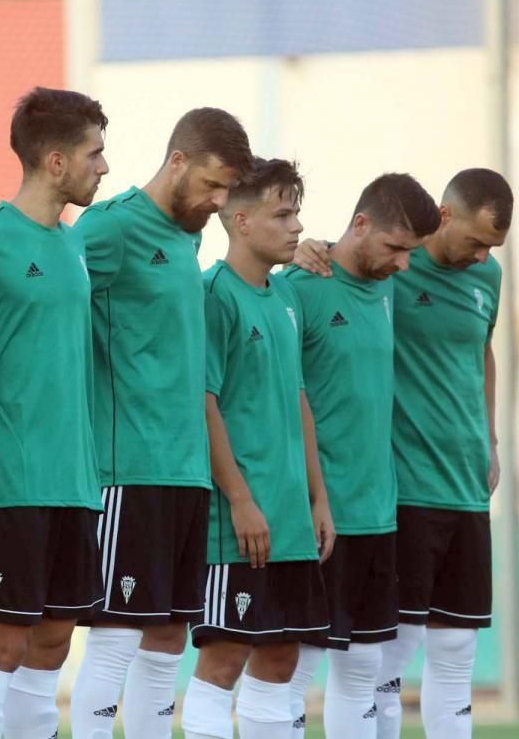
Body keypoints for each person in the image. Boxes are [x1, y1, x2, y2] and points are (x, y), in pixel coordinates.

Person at [293, 168, 513, 739]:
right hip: (403, 488)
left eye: (492, 247)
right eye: (476, 240)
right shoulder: (387, 271)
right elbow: (346, 265)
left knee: (457, 644)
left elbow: (483, 352)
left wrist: (488, 438)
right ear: (445, 216)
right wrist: (304, 249)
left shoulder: (486, 277)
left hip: (465, 484)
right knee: (388, 653)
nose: (482, 254)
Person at [69, 107, 252, 739]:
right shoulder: (109, 227)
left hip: (187, 470)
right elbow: (49, 302)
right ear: (178, 162)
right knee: (117, 635)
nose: (220, 201)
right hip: (128, 467)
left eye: (229, 190)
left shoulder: (189, 234)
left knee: (170, 636)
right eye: (212, 185)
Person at [0, 87, 109, 739]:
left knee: (51, 646)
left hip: (73, 480)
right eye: (95, 152)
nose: (105, 165)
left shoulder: (74, 246)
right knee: (3, 645)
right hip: (6, 478)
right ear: (56, 161)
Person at [279, 174, 440, 739]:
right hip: (319, 516)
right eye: (395, 248)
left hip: (380, 512)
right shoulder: (298, 286)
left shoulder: (391, 286)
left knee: (365, 668)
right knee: (294, 668)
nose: (403, 264)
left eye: (410, 253)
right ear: (361, 224)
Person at [182, 158, 334, 739]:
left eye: (297, 213)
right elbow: (204, 403)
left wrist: (318, 499)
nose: (296, 227)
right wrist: (241, 500)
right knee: (225, 658)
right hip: (239, 520)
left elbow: (298, 400)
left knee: (281, 658)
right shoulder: (212, 294)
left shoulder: (286, 300)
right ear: (240, 221)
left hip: (292, 517)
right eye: (283, 214)